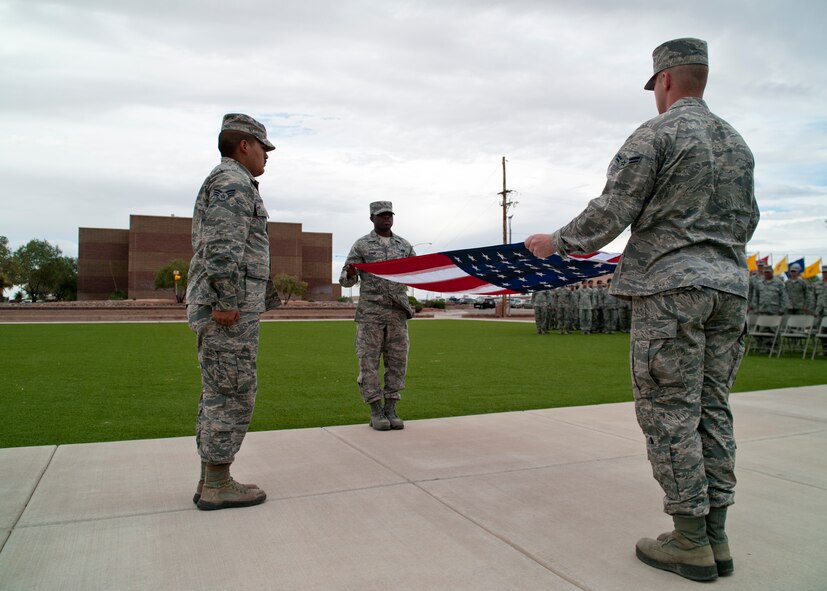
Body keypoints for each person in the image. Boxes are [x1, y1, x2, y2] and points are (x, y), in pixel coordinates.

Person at [525, 38, 759, 582]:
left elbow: (613, 210)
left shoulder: (658, 133)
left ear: (666, 81)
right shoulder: (737, 142)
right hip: (729, 288)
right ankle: (716, 537)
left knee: (669, 411)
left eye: (655, 86)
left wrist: (556, 241)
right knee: (712, 408)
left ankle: (689, 541)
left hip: (672, 292)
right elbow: (746, 218)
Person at [186, 113, 281, 511]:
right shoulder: (233, 183)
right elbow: (222, 247)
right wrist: (226, 302)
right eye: (263, 148)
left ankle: (212, 476)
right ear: (245, 145)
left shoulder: (230, 182)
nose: (267, 157)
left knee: (220, 391)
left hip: (233, 307)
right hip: (230, 312)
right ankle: (218, 483)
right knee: (232, 392)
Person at [340, 202, 415, 431]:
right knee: (368, 363)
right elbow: (345, 280)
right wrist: (351, 272)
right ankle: (375, 410)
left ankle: (391, 408)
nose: (387, 219)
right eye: (382, 216)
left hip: (396, 314)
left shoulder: (403, 245)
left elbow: (416, 272)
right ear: (372, 218)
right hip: (371, 314)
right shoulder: (362, 245)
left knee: (397, 363)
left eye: (389, 215)